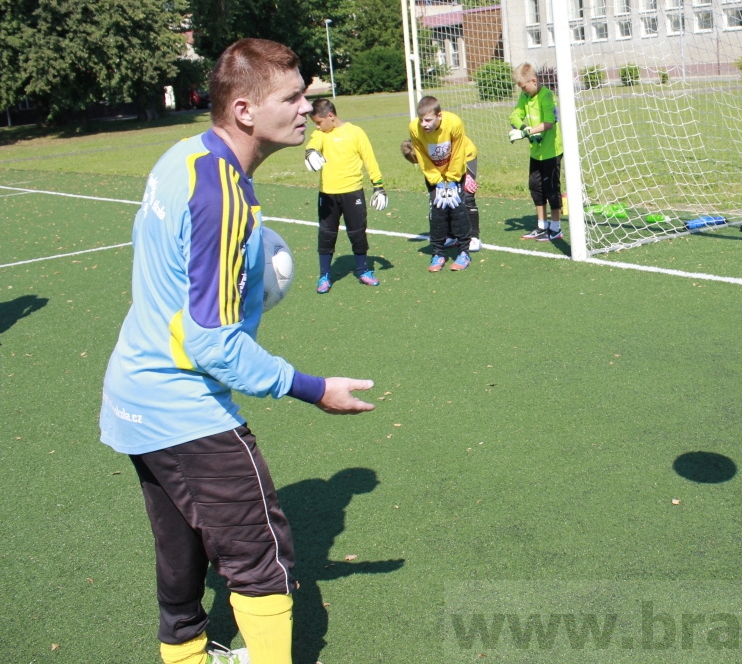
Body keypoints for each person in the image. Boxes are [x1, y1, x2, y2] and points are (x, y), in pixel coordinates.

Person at [100, 39, 376, 664]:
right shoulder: (221, 193)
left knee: (181, 557)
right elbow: (212, 344)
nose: (309, 105)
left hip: (134, 398)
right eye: (294, 96)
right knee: (261, 560)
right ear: (247, 110)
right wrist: (314, 388)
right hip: (184, 407)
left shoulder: (185, 154)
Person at [303, 98, 387, 292]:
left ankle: (363, 270)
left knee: (357, 233)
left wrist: (378, 186)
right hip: (328, 195)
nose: (317, 126)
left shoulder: (355, 132)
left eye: (319, 122)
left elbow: (370, 160)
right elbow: (313, 144)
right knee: (326, 235)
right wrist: (310, 152)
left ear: (330, 116)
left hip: (353, 192)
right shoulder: (320, 134)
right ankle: (324, 275)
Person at [401, 95, 474, 271]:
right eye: (421, 120)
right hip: (434, 173)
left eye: (428, 120)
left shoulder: (454, 123)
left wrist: (451, 181)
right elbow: (422, 156)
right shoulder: (414, 128)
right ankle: (438, 253)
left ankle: (464, 252)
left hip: (454, 170)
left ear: (439, 116)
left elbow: (458, 153)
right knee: (437, 210)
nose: (424, 124)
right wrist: (438, 182)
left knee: (458, 208)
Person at [508, 63, 563, 241]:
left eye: (524, 87)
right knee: (535, 188)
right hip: (536, 153)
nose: (523, 91)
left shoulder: (547, 96)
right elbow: (514, 116)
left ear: (533, 80)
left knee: (551, 189)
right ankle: (541, 226)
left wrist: (527, 132)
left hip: (552, 151)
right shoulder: (525, 96)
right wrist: (525, 128)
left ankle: (556, 228)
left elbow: (549, 123)